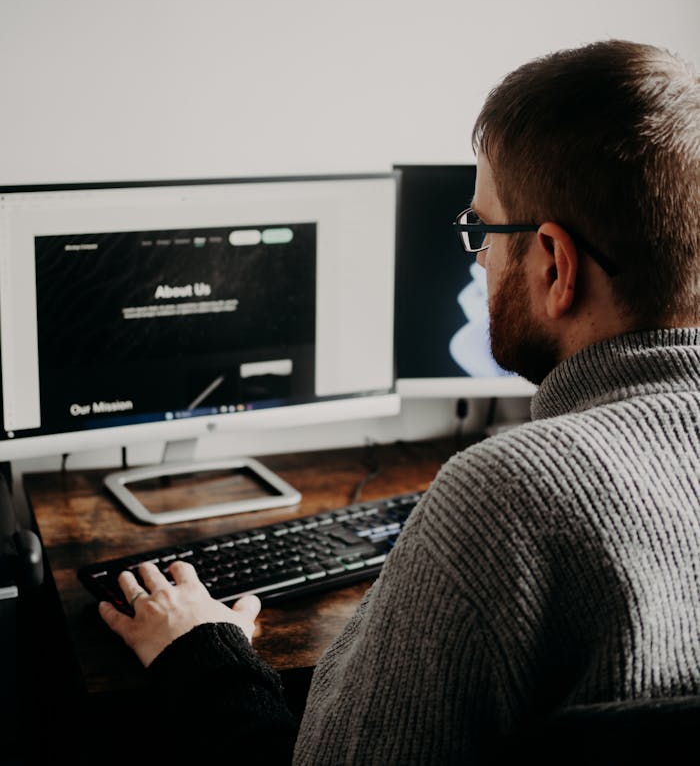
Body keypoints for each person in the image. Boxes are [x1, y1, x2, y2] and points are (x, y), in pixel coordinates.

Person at [100, 39, 700, 764]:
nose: (478, 257)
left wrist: (202, 650)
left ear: (554, 263)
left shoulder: (508, 494)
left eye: (484, 230)